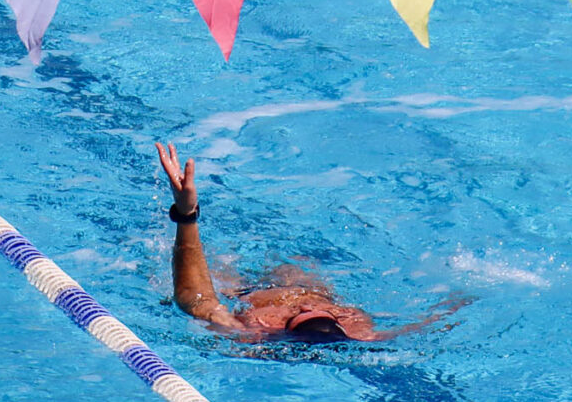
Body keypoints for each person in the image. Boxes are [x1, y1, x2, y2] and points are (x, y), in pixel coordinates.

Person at [156, 143, 460, 343]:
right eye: (333, 313)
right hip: (295, 283)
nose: (304, 303)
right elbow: (425, 325)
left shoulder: (248, 330)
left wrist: (186, 214)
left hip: (239, 292)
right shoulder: (362, 332)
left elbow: (192, 297)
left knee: (219, 270)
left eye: (294, 314)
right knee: (298, 270)